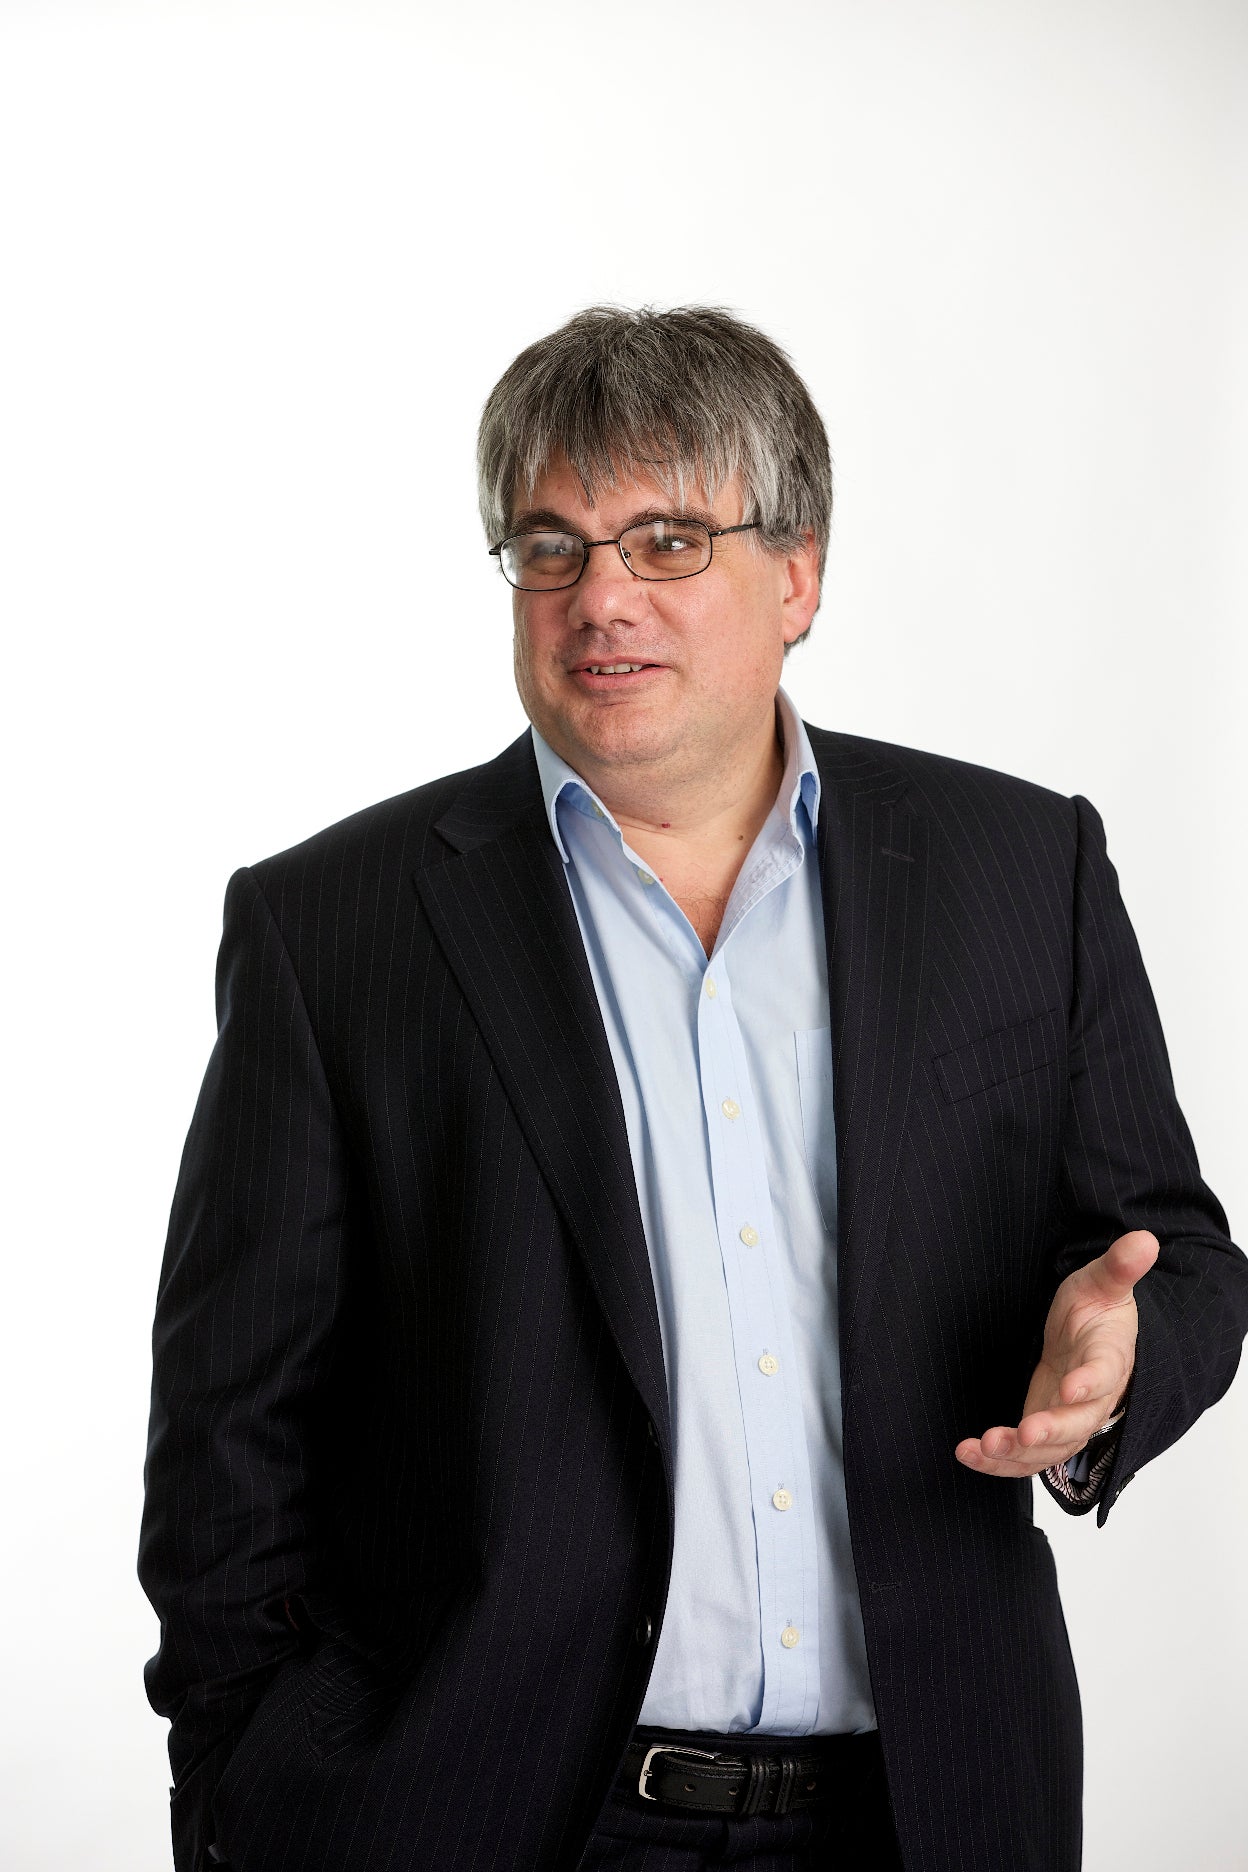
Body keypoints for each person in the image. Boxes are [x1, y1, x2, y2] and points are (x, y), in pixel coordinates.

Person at [139, 305, 1248, 1872]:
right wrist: (244, 1788)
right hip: (483, 1821)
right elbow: (228, 1432)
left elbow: (1177, 1255)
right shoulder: (336, 928)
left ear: (797, 576)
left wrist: (1118, 1366)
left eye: (667, 540)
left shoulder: (1020, 869)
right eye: (550, 546)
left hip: (928, 1811)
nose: (601, 596)